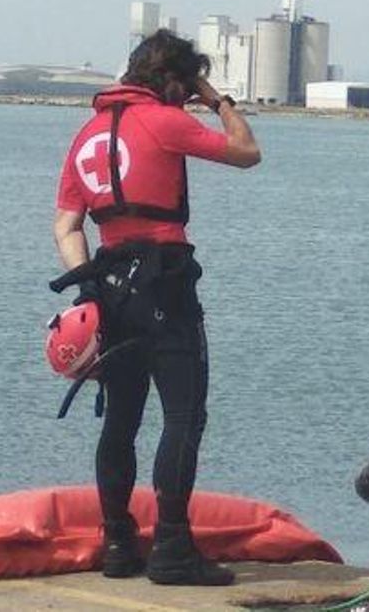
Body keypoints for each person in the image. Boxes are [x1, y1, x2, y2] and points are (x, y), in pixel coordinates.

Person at [52, 29, 261, 586]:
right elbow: (247, 152)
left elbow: (67, 224)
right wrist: (218, 101)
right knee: (183, 416)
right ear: (175, 80)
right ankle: (171, 548)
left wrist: (86, 285)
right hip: (165, 286)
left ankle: (117, 543)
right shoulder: (166, 120)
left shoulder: (87, 133)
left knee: (121, 420)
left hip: (109, 290)